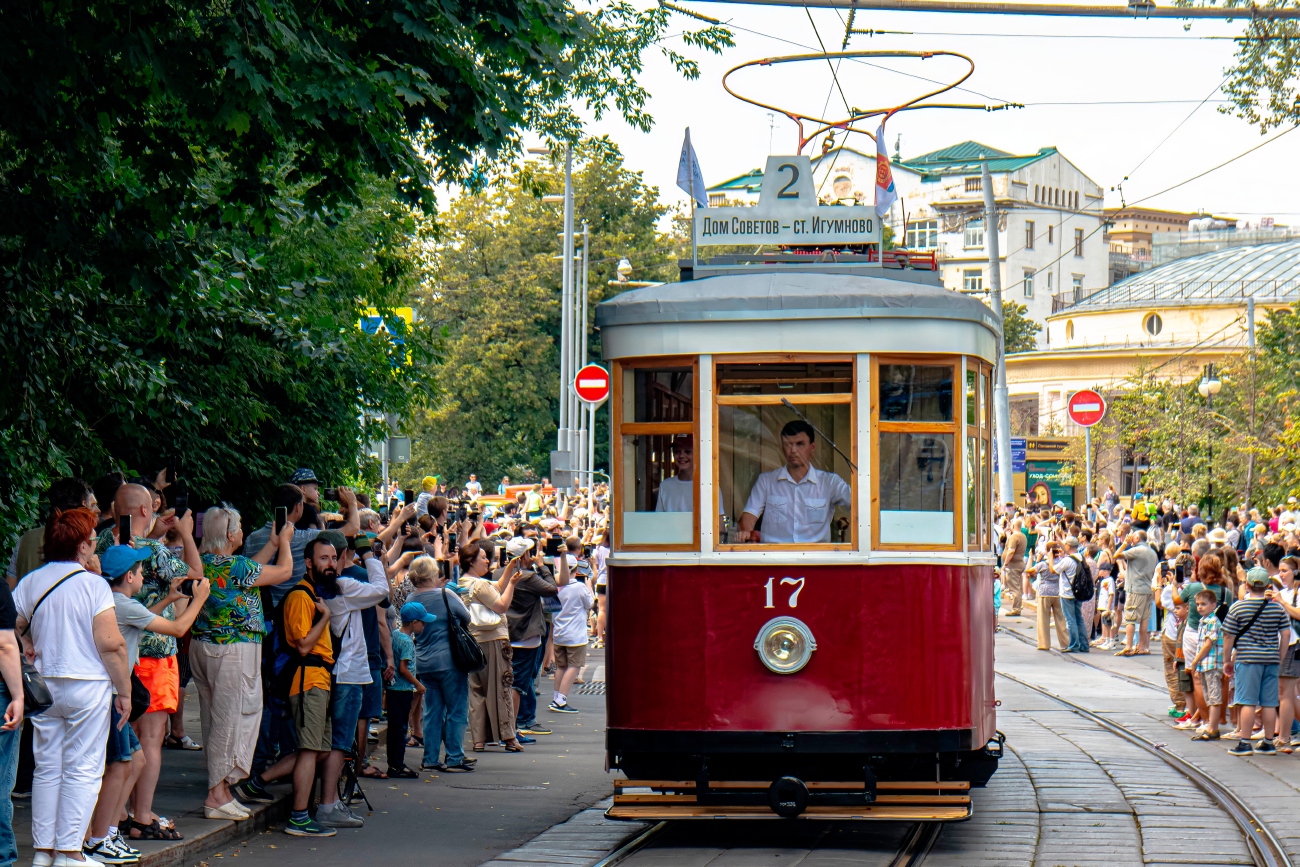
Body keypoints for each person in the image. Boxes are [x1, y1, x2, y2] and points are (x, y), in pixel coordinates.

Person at [14, 508, 131, 866]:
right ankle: (69, 853)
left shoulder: (31, 581)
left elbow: (13, 625)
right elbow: (111, 645)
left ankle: (43, 853)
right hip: (88, 685)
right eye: (93, 540)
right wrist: (124, 691)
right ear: (82, 546)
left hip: (45, 686)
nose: (95, 545)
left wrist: (26, 644)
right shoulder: (94, 586)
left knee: (47, 767)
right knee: (84, 768)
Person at [88, 544, 211, 864]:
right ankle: (101, 836)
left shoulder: (113, 601)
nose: (143, 575)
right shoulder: (122, 604)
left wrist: (169, 599)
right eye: (140, 571)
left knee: (134, 760)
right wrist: (198, 599)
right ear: (129, 576)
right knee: (121, 765)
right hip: (110, 696)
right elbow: (178, 629)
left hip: (107, 694)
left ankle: (107, 831)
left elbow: (143, 619)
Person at [192, 506, 293, 819]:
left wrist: (273, 544)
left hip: (204, 645)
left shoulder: (204, 561)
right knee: (231, 719)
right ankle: (215, 795)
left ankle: (222, 790)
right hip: (233, 649)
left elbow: (252, 569)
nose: (242, 532)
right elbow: (284, 572)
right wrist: (285, 542)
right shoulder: (236, 566)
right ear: (229, 534)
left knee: (215, 718)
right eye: (238, 527)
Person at [245, 539, 343, 837]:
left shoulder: (314, 594)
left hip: (319, 680)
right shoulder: (301, 596)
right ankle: (299, 817)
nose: (331, 564)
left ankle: (257, 783)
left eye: (334, 558)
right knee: (310, 749)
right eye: (324, 558)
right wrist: (325, 617)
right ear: (309, 563)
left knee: (319, 750)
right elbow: (301, 645)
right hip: (307, 680)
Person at [406, 556, 474, 772]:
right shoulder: (446, 595)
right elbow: (467, 617)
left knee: (432, 712)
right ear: (433, 573)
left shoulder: (411, 598)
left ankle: (430, 758)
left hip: (424, 661)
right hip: (449, 660)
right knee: (456, 710)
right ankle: (454, 756)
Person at [736, 420, 851, 544]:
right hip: (775, 554)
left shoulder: (830, 482)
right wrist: (745, 532)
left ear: (812, 447)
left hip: (816, 555)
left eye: (800, 444)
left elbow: (859, 506)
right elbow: (749, 515)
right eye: (788, 444)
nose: (793, 450)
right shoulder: (766, 481)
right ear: (782, 447)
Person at [458, 542, 525, 753]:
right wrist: (513, 584)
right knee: (502, 688)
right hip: (493, 640)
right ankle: (509, 736)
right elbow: (501, 605)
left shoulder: (462, 583)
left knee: (476, 692)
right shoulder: (480, 584)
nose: (487, 561)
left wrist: (509, 570)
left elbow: (496, 587)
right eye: (483, 558)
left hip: (472, 642)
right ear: (471, 561)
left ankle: (478, 739)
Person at [243, 485, 359, 605]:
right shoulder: (307, 538)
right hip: (295, 607)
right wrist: (352, 503)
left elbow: (243, 574)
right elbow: (353, 528)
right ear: (298, 507)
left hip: (259, 610)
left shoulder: (252, 538)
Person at [1223, 567, 1290, 756]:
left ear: (1247, 585)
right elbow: (1285, 634)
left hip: (1247, 659)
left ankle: (1245, 742)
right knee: (1269, 702)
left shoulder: (1238, 607)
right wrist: (1280, 656)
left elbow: (1228, 635)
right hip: (1271, 660)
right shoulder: (1277, 608)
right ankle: (1268, 742)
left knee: (1247, 702)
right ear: (1268, 586)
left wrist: (1227, 660)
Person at [386, 603, 429, 777]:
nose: (424, 626)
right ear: (414, 622)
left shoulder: (395, 635)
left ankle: (394, 763)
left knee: (395, 727)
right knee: (400, 728)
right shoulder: (407, 642)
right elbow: (403, 668)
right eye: (422, 622)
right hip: (402, 689)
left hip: (392, 688)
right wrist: (418, 684)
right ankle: (397, 765)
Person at [549, 541, 591, 714]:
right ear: (576, 569)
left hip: (559, 632)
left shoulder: (554, 586)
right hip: (576, 635)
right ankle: (561, 700)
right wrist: (589, 584)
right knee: (574, 666)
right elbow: (589, 604)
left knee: (561, 666)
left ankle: (556, 696)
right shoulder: (580, 587)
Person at [1188, 589, 1225, 741]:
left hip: (1212, 664)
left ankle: (1213, 729)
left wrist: (1195, 661)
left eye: (1203, 604)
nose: (1199, 607)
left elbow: (1208, 645)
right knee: (1209, 697)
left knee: (1214, 698)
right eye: (1198, 604)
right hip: (1205, 665)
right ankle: (1211, 726)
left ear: (1213, 605)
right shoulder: (1203, 621)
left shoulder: (1212, 621)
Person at [1116, 530, 1158, 656]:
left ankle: (1128, 646)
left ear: (1137, 538)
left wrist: (1125, 543)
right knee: (1144, 619)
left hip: (1135, 589)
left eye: (1133, 536)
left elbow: (1116, 556)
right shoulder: (1152, 552)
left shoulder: (1136, 550)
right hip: (1147, 588)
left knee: (1130, 618)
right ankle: (1142, 647)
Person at [1002, 518, 1026, 616]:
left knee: (1014, 588)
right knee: (1018, 587)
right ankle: (1019, 605)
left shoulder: (1014, 537)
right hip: (1019, 563)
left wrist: (1005, 563)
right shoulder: (1023, 536)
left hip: (1013, 566)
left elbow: (1011, 551)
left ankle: (1016, 609)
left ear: (1013, 526)